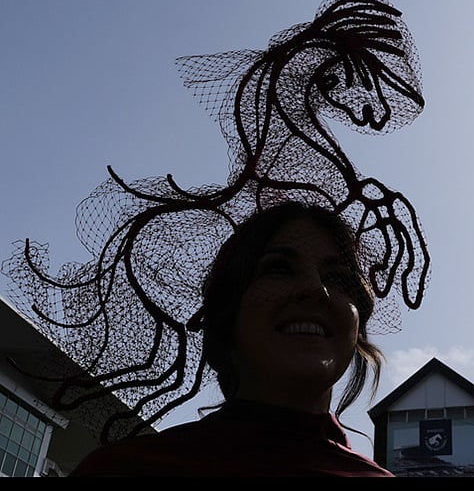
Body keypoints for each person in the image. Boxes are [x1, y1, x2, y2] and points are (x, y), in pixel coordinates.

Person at [69, 201, 394, 477]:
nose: (315, 289)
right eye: (278, 270)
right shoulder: (127, 469)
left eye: (337, 278)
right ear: (228, 315)